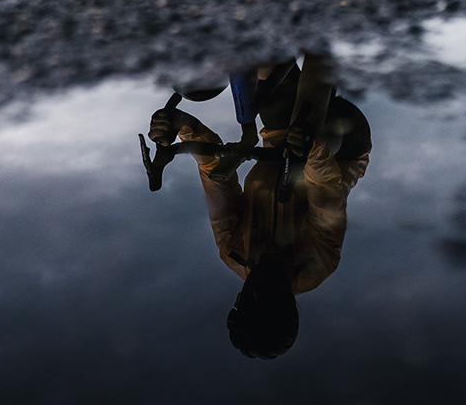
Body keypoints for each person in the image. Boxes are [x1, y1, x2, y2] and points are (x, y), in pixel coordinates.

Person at [146, 54, 372, 359]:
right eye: (268, 297)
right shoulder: (317, 264)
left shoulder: (233, 249)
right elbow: (327, 195)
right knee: (310, 136)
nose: (259, 285)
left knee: (263, 58)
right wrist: (312, 147)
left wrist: (183, 127)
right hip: (343, 145)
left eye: (249, 295)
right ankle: (319, 46)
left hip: (279, 136)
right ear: (287, 303)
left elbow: (217, 176)